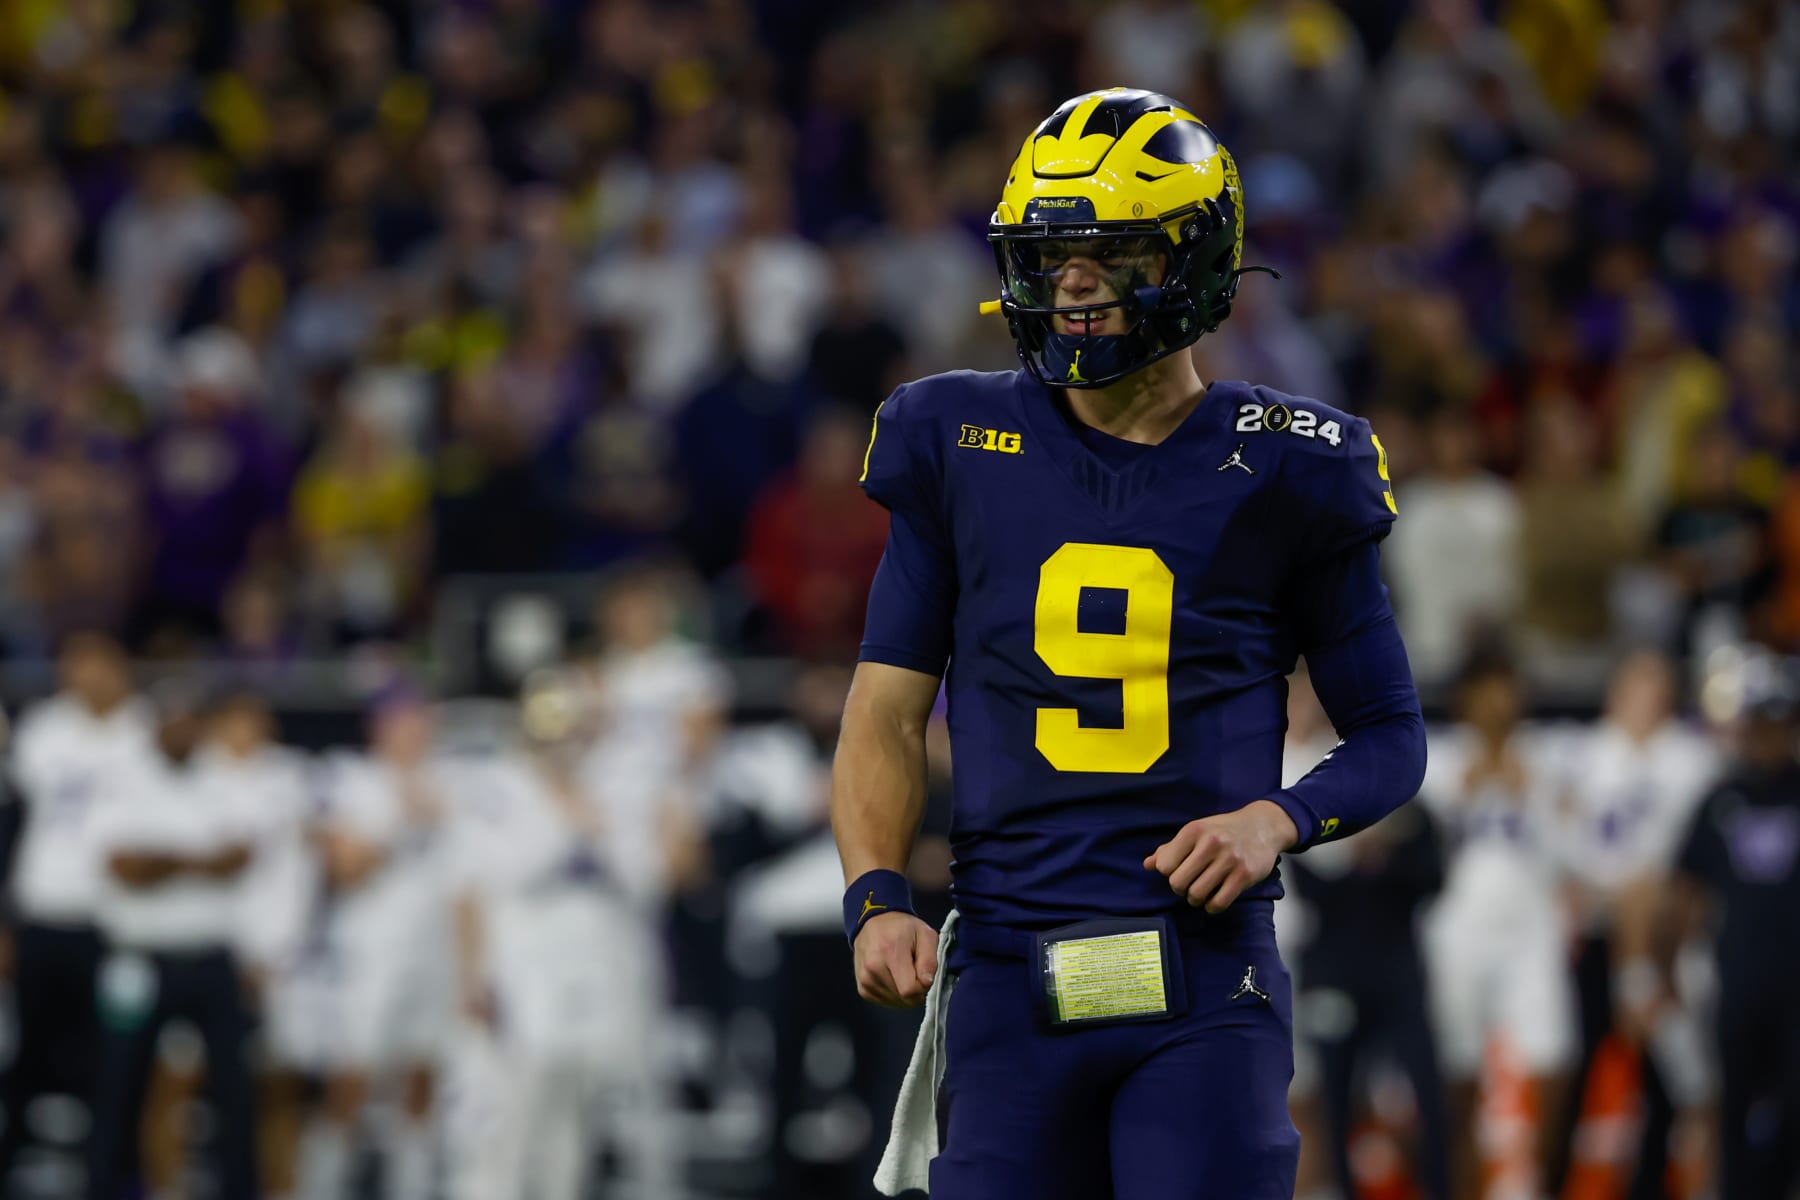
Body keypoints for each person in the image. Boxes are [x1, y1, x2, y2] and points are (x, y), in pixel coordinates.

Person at [830, 88, 1426, 1200]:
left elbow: (1392, 734)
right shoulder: (953, 440)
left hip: (1204, 984)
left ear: (1199, 262)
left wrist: (1278, 817)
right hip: (1009, 969)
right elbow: (886, 708)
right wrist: (874, 891)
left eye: (1111, 255)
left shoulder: (1295, 465)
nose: (1074, 288)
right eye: (1054, 258)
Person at [84, 682, 259, 1200]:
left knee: (234, 1086)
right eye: (172, 720)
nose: (182, 730)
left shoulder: (224, 776)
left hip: (211, 957)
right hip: (141, 957)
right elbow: (122, 866)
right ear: (155, 724)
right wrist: (195, 860)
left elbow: (240, 857)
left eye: (191, 720)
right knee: (121, 1081)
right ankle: (109, 1187)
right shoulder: (124, 778)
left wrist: (165, 859)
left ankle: (238, 1189)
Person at [1418, 646, 1576, 1199]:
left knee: (1553, 1063)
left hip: (1531, 931)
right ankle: (1458, 1187)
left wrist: (1533, 789)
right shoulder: (1434, 757)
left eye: (1507, 686)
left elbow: (1572, 850)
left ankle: (1533, 1185)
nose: (1499, 701)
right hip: (1456, 932)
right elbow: (1414, 844)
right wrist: (1465, 788)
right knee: (1456, 1078)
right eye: (1487, 687)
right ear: (1464, 698)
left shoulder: (1550, 756)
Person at [0, 633, 153, 1185]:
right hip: (41, 916)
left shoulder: (146, 730)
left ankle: (109, 1176)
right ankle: (11, 1165)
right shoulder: (43, 728)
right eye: (72, 661)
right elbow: (10, 825)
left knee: (113, 1060)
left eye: (93, 660)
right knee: (25, 1052)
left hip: (116, 925)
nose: (81, 672)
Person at [1666, 655, 1800, 1199]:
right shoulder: (1722, 798)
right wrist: (1664, 966)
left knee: (1795, 1103)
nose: (1767, 735)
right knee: (1733, 1104)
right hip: (1739, 976)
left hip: (1798, 983)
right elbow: (1686, 890)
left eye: (1779, 721)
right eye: (1759, 722)